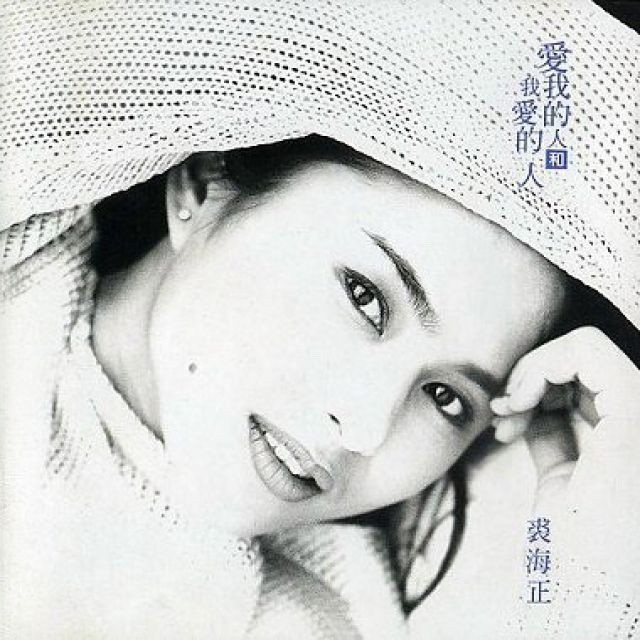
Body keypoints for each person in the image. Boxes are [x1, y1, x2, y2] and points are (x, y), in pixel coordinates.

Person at [1, 1, 637, 638]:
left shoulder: (338, 618)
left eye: (446, 398)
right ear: (202, 185)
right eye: (366, 298)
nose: (364, 428)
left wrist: (592, 581)